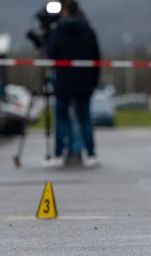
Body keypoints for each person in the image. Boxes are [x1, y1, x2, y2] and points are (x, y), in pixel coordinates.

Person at [47, 0, 101, 168]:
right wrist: (94, 82)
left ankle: (58, 153)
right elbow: (96, 58)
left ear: (64, 12)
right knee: (84, 118)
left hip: (63, 81)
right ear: (79, 12)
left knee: (62, 118)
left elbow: (50, 53)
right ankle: (90, 154)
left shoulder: (58, 31)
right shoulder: (89, 31)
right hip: (84, 82)